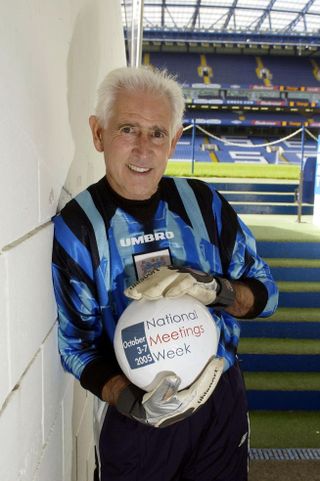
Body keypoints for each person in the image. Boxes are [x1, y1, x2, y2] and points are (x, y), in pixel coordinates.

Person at [52, 66, 279, 481]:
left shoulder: (204, 204)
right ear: (98, 133)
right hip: (139, 418)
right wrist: (134, 403)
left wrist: (218, 291)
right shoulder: (78, 228)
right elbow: (76, 348)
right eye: (127, 129)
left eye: (157, 133)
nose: (143, 149)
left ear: (174, 141)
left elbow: (267, 295)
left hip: (220, 404)